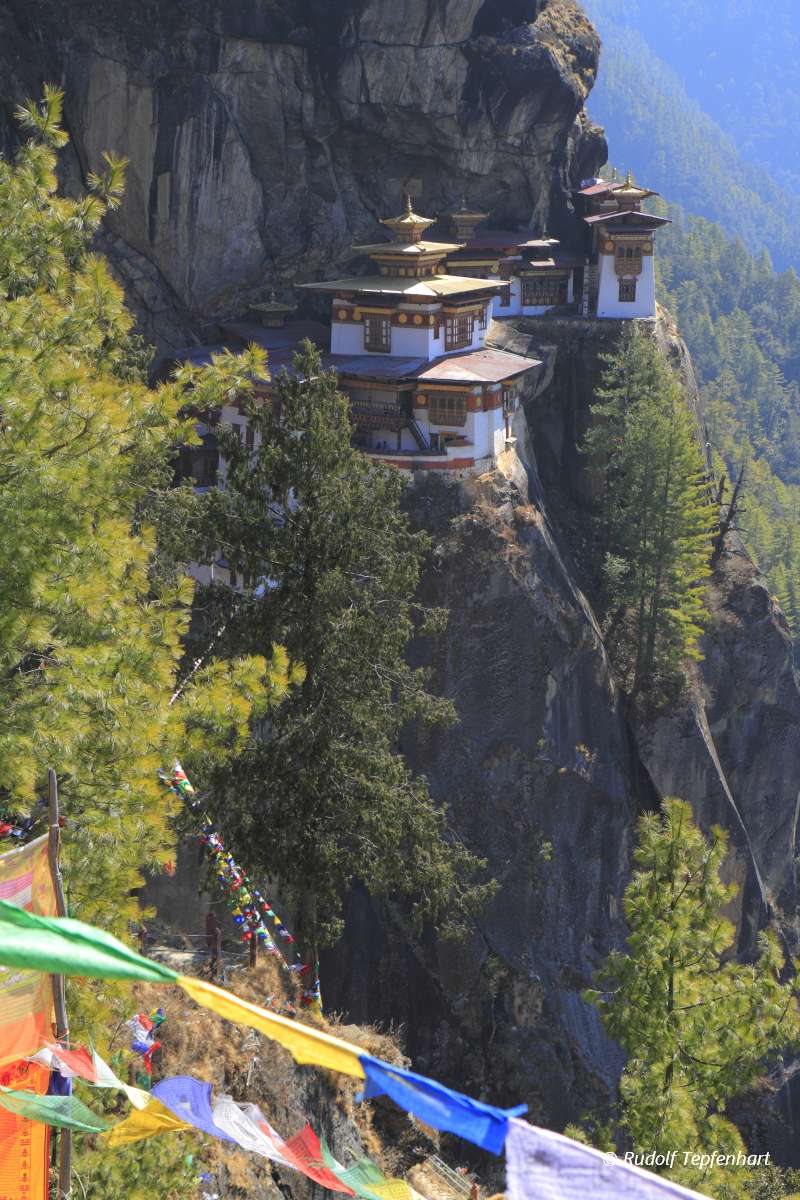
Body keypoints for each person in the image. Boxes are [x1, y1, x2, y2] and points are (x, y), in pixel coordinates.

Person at [205, 910, 222, 979]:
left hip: (213, 943)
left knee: (214, 959)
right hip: (213, 944)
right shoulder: (211, 922)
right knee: (214, 959)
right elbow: (212, 930)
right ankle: (212, 974)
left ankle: (211, 973)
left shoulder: (208, 922)